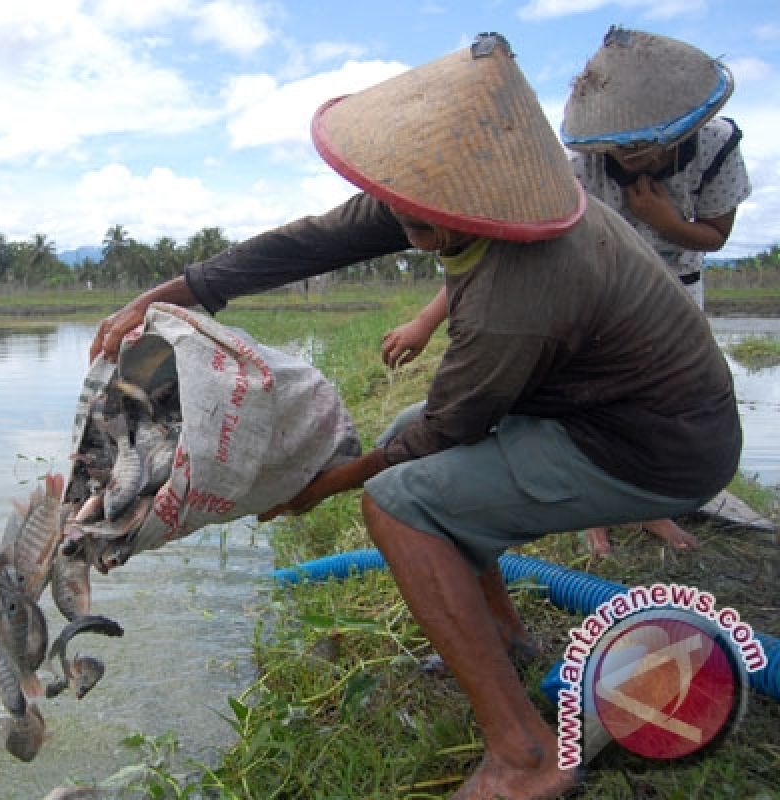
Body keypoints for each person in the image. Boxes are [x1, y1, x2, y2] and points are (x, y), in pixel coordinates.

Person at [89, 34, 741, 800]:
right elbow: (314, 240)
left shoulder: (518, 288)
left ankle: (523, 758)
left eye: (412, 215)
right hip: (598, 410)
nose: (395, 219)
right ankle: (501, 637)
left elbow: (450, 431)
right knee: (406, 433)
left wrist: (323, 486)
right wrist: (171, 296)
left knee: (399, 504)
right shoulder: (463, 198)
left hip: (651, 449)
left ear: (461, 206)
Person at [383, 26, 751, 557]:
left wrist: (662, 219)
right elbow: (502, 258)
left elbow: (715, 235)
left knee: (655, 406)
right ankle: (593, 516)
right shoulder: (574, 173)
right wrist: (426, 320)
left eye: (648, 148)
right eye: (621, 150)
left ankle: (651, 509)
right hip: (586, 301)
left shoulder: (717, 148)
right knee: (583, 396)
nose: (634, 160)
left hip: (670, 292)